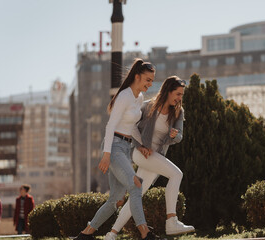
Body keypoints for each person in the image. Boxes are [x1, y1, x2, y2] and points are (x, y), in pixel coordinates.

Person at [73, 59, 157, 240]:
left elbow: (132, 126)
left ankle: (85, 235)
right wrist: (106, 155)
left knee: (115, 200)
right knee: (135, 185)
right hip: (114, 147)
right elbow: (110, 126)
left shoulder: (139, 97)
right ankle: (146, 234)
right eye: (147, 80)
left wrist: (141, 144)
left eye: (152, 80)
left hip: (125, 148)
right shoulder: (124, 96)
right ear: (137, 77)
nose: (150, 84)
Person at [104, 76, 195, 240]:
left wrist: (175, 135)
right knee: (176, 174)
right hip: (141, 154)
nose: (180, 98)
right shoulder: (148, 107)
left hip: (156, 157)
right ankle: (171, 221)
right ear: (168, 91)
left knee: (138, 195)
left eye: (182, 95)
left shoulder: (178, 112)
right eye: (178, 94)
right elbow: (131, 125)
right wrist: (140, 146)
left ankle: (112, 234)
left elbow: (180, 135)